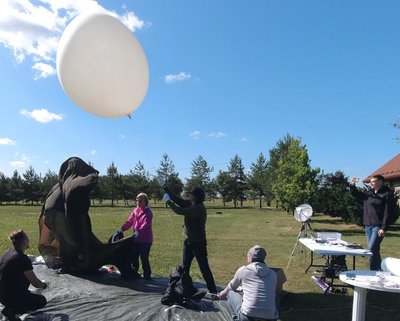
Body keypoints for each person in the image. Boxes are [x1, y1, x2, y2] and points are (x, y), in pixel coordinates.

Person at [163, 185, 217, 294]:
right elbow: (178, 200)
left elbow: (179, 211)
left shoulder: (199, 208)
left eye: (191, 194)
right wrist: (166, 188)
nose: (189, 195)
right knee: (184, 267)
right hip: (189, 242)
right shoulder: (191, 203)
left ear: (196, 197)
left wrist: (168, 202)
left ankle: (213, 291)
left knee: (204, 267)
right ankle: (185, 287)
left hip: (199, 242)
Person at [218, 245, 278, 321]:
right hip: (270, 317)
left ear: (250, 258)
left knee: (230, 293)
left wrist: (221, 294)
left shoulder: (244, 270)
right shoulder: (272, 274)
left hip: (248, 316)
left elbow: (231, 287)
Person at [0, 230, 47, 321]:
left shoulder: (6, 253)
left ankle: (11, 307)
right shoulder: (22, 258)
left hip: (2, 296)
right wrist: (44, 285)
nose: (29, 240)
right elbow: (36, 283)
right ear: (24, 242)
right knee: (41, 300)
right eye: (27, 238)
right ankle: (13, 310)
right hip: (12, 297)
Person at [350, 174, 394, 270]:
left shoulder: (386, 194)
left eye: (373, 181)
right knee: (374, 250)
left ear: (380, 182)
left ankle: (376, 269)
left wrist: (383, 228)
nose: (371, 183)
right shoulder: (368, 193)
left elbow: (387, 212)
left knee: (371, 248)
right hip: (368, 226)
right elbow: (355, 194)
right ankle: (377, 270)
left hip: (378, 226)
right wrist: (352, 185)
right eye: (371, 181)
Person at [118, 193, 153, 280]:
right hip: (136, 239)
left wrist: (138, 231)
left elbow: (146, 224)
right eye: (137, 200)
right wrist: (122, 229)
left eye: (140, 200)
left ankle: (147, 275)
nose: (138, 202)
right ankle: (134, 272)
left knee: (144, 258)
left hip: (146, 240)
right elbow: (129, 221)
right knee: (134, 256)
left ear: (145, 201)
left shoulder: (148, 212)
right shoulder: (135, 211)